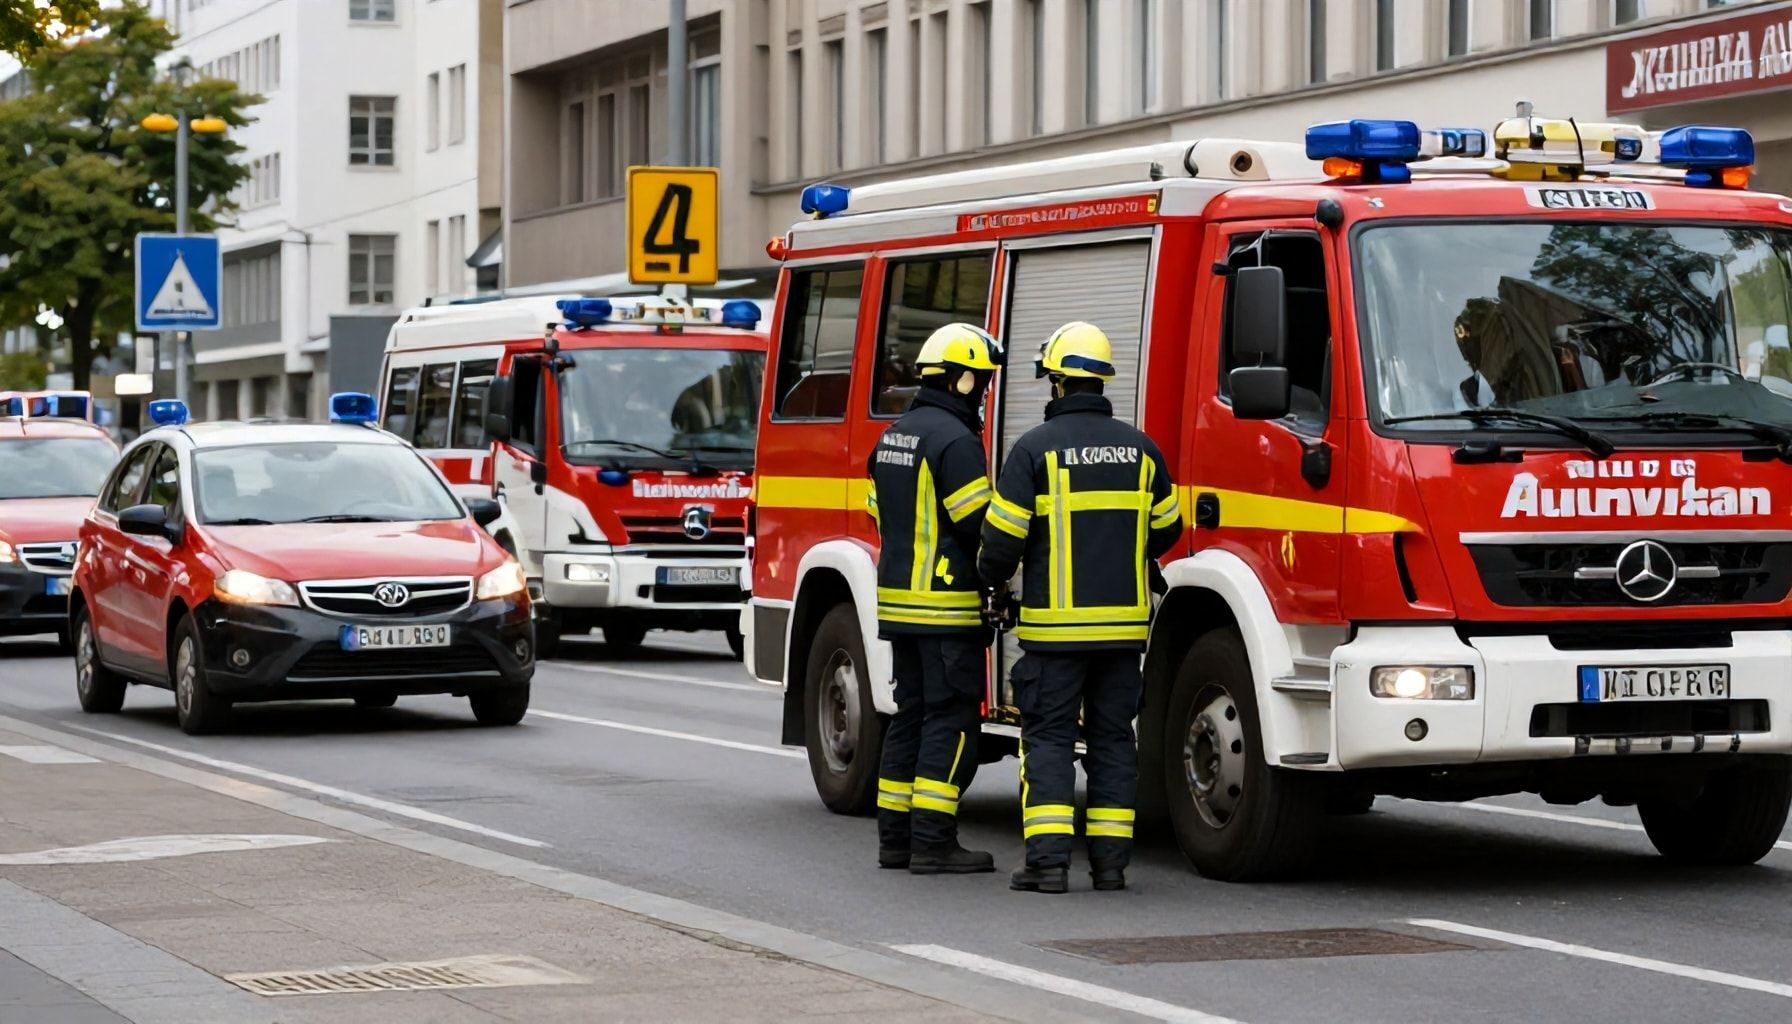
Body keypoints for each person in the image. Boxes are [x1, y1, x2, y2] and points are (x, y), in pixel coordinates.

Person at [977, 321, 1183, 894]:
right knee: (1115, 742)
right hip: (1122, 636)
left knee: (1047, 741)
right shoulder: (1141, 450)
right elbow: (1168, 528)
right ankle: (1111, 866)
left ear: (1059, 384)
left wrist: (990, 583)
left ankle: (1046, 866)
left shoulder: (1034, 450)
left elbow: (1000, 543)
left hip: (1054, 637)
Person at [866, 322, 1002, 875]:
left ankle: (895, 840)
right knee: (950, 722)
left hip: (900, 606)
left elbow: (879, 513)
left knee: (910, 717)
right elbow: (982, 527)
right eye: (984, 381)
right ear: (964, 381)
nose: (986, 392)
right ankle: (934, 843)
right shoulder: (956, 442)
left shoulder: (892, 435)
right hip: (945, 607)